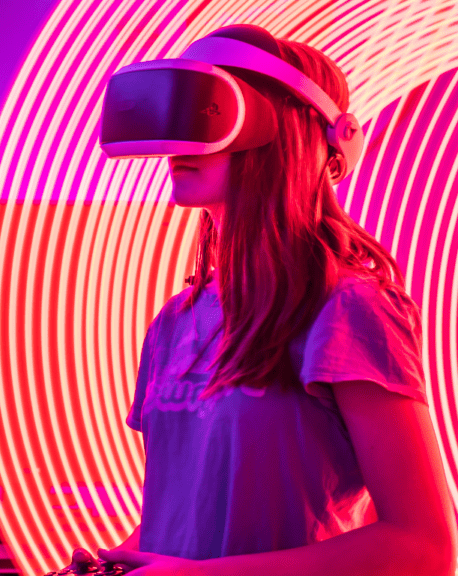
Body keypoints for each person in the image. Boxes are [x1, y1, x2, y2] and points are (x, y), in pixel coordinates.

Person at [96, 25, 458, 575]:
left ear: (287, 131)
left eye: (205, 115)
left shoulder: (347, 309)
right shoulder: (175, 321)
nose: (177, 142)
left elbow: (424, 549)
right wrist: (129, 558)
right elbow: (186, 513)